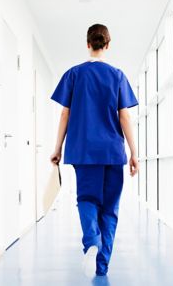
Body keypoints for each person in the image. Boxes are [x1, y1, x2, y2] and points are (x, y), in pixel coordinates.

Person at [49, 23, 139, 277]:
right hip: (112, 151)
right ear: (107, 45)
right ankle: (102, 265)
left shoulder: (74, 74)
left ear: (88, 44)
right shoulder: (118, 76)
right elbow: (125, 118)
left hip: (83, 150)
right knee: (110, 208)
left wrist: (58, 148)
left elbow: (65, 114)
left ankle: (91, 241)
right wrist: (134, 153)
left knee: (87, 198)